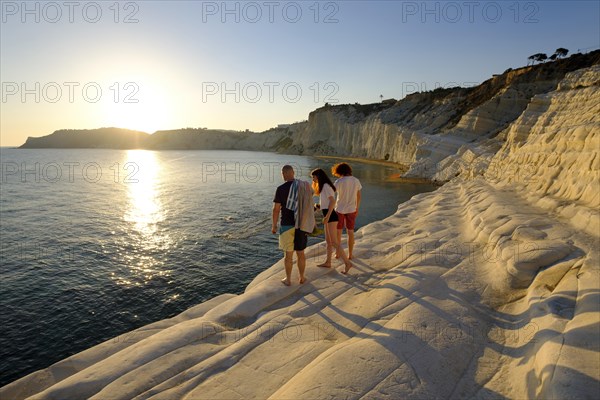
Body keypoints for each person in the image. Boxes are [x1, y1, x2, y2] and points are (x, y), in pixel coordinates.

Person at [272, 165, 315, 286]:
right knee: (300, 253)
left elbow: (276, 209)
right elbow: (310, 199)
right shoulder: (304, 186)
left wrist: (274, 225)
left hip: (286, 225)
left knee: (288, 256)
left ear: (283, 174)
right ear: (293, 173)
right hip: (301, 224)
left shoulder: (280, 189)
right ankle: (301, 277)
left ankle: (288, 279)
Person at [311, 168, 353, 273]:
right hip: (328, 215)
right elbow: (326, 204)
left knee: (334, 242)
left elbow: (333, 202)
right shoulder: (324, 186)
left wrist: (327, 217)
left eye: (313, 177)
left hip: (331, 217)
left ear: (318, 176)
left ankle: (347, 263)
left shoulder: (325, 186)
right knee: (328, 242)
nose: (313, 179)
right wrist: (317, 207)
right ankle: (328, 262)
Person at [332, 162, 362, 260]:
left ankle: (338, 253)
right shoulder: (356, 181)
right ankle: (350, 254)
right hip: (351, 209)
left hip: (339, 209)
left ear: (339, 171)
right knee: (350, 232)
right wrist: (357, 208)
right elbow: (358, 196)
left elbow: (331, 194)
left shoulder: (338, 181)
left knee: (338, 232)